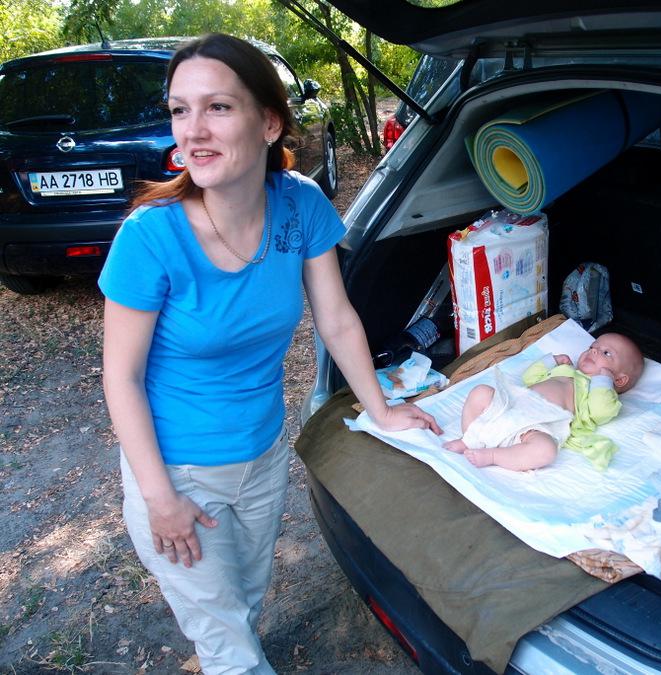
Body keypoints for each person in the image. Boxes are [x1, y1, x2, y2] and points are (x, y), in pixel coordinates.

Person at [99, 33, 440, 674]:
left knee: (244, 599)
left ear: (269, 123)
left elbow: (336, 319)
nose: (194, 130)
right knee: (228, 641)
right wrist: (159, 498)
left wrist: (382, 409)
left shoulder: (299, 202)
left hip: (262, 455)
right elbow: (121, 377)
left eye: (218, 107)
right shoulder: (150, 237)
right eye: (180, 110)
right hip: (178, 471)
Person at [443, 333, 643, 471]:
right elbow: (529, 378)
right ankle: (469, 438)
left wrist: (603, 381)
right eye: (592, 347)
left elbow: (601, 411)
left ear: (619, 380)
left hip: (537, 426)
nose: (594, 351)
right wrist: (552, 361)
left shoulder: (596, 390)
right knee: (481, 392)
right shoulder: (566, 370)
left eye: (606, 353)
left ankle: (494, 456)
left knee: (546, 450)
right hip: (511, 405)